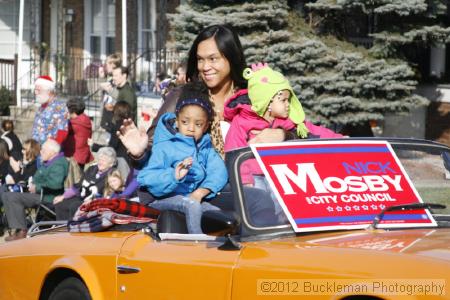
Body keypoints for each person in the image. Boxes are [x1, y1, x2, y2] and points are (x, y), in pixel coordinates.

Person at [117, 24, 286, 221]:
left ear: (231, 57)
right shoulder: (183, 96)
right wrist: (139, 153)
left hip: (246, 180)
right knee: (259, 199)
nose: (205, 67)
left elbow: (301, 130)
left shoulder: (253, 95)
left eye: (213, 59)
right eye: (200, 60)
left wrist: (282, 134)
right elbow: (157, 151)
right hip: (194, 185)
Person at [224, 63, 342, 185]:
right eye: (283, 100)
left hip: (280, 174)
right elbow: (234, 150)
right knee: (261, 197)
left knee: (279, 202)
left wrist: (340, 139)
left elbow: (313, 130)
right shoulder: (242, 121)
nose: (288, 104)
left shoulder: (287, 120)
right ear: (267, 102)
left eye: (289, 100)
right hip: (254, 176)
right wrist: (244, 180)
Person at [137, 82, 227, 234]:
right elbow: (146, 177)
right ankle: (196, 244)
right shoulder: (166, 145)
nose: (191, 128)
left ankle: (219, 243)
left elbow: (219, 171)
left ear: (205, 127)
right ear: (177, 121)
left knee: (214, 211)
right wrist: (173, 176)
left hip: (189, 198)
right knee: (191, 205)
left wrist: (201, 192)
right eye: (185, 122)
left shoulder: (205, 148)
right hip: (160, 199)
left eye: (198, 124)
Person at [3, 139, 68, 241]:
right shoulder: (47, 162)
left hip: (48, 197)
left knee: (11, 197)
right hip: (38, 193)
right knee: (6, 193)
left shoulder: (59, 163)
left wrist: (36, 187)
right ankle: (18, 228)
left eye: (44, 150)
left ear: (52, 152)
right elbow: (37, 177)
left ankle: (22, 231)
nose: (41, 152)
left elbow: (56, 184)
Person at [53, 147, 117, 220]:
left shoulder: (112, 174)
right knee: (60, 204)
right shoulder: (92, 169)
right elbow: (79, 185)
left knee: (75, 206)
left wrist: (94, 201)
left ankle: (73, 227)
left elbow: (111, 194)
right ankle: (61, 227)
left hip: (96, 203)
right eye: (100, 159)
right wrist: (63, 196)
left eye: (104, 160)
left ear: (111, 164)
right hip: (82, 198)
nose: (100, 162)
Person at [31, 75, 69, 145]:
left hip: (49, 152)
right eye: (35, 91)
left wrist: (50, 149)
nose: (36, 93)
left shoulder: (60, 108)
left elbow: (62, 132)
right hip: (36, 150)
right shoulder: (41, 107)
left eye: (38, 90)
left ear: (48, 91)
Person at [63, 98, 94, 169]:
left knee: (73, 177)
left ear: (72, 112)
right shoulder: (85, 119)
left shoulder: (75, 123)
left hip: (74, 156)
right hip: (82, 154)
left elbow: (62, 130)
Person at [99, 53, 122, 131]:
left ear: (113, 65)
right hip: (106, 115)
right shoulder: (109, 79)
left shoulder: (121, 79)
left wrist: (110, 90)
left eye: (107, 64)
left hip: (114, 117)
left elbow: (121, 96)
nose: (106, 66)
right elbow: (102, 97)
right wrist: (102, 78)